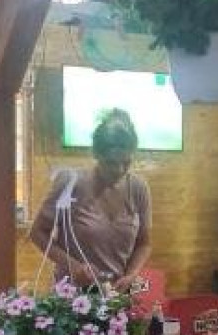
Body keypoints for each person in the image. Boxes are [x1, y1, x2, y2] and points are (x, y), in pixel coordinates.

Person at [30, 109, 152, 292]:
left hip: (115, 295)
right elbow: (37, 233)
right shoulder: (70, 183)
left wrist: (131, 275)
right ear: (96, 154)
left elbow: (144, 243)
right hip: (72, 296)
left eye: (126, 163)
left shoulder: (138, 188)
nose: (119, 170)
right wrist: (73, 266)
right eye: (111, 163)